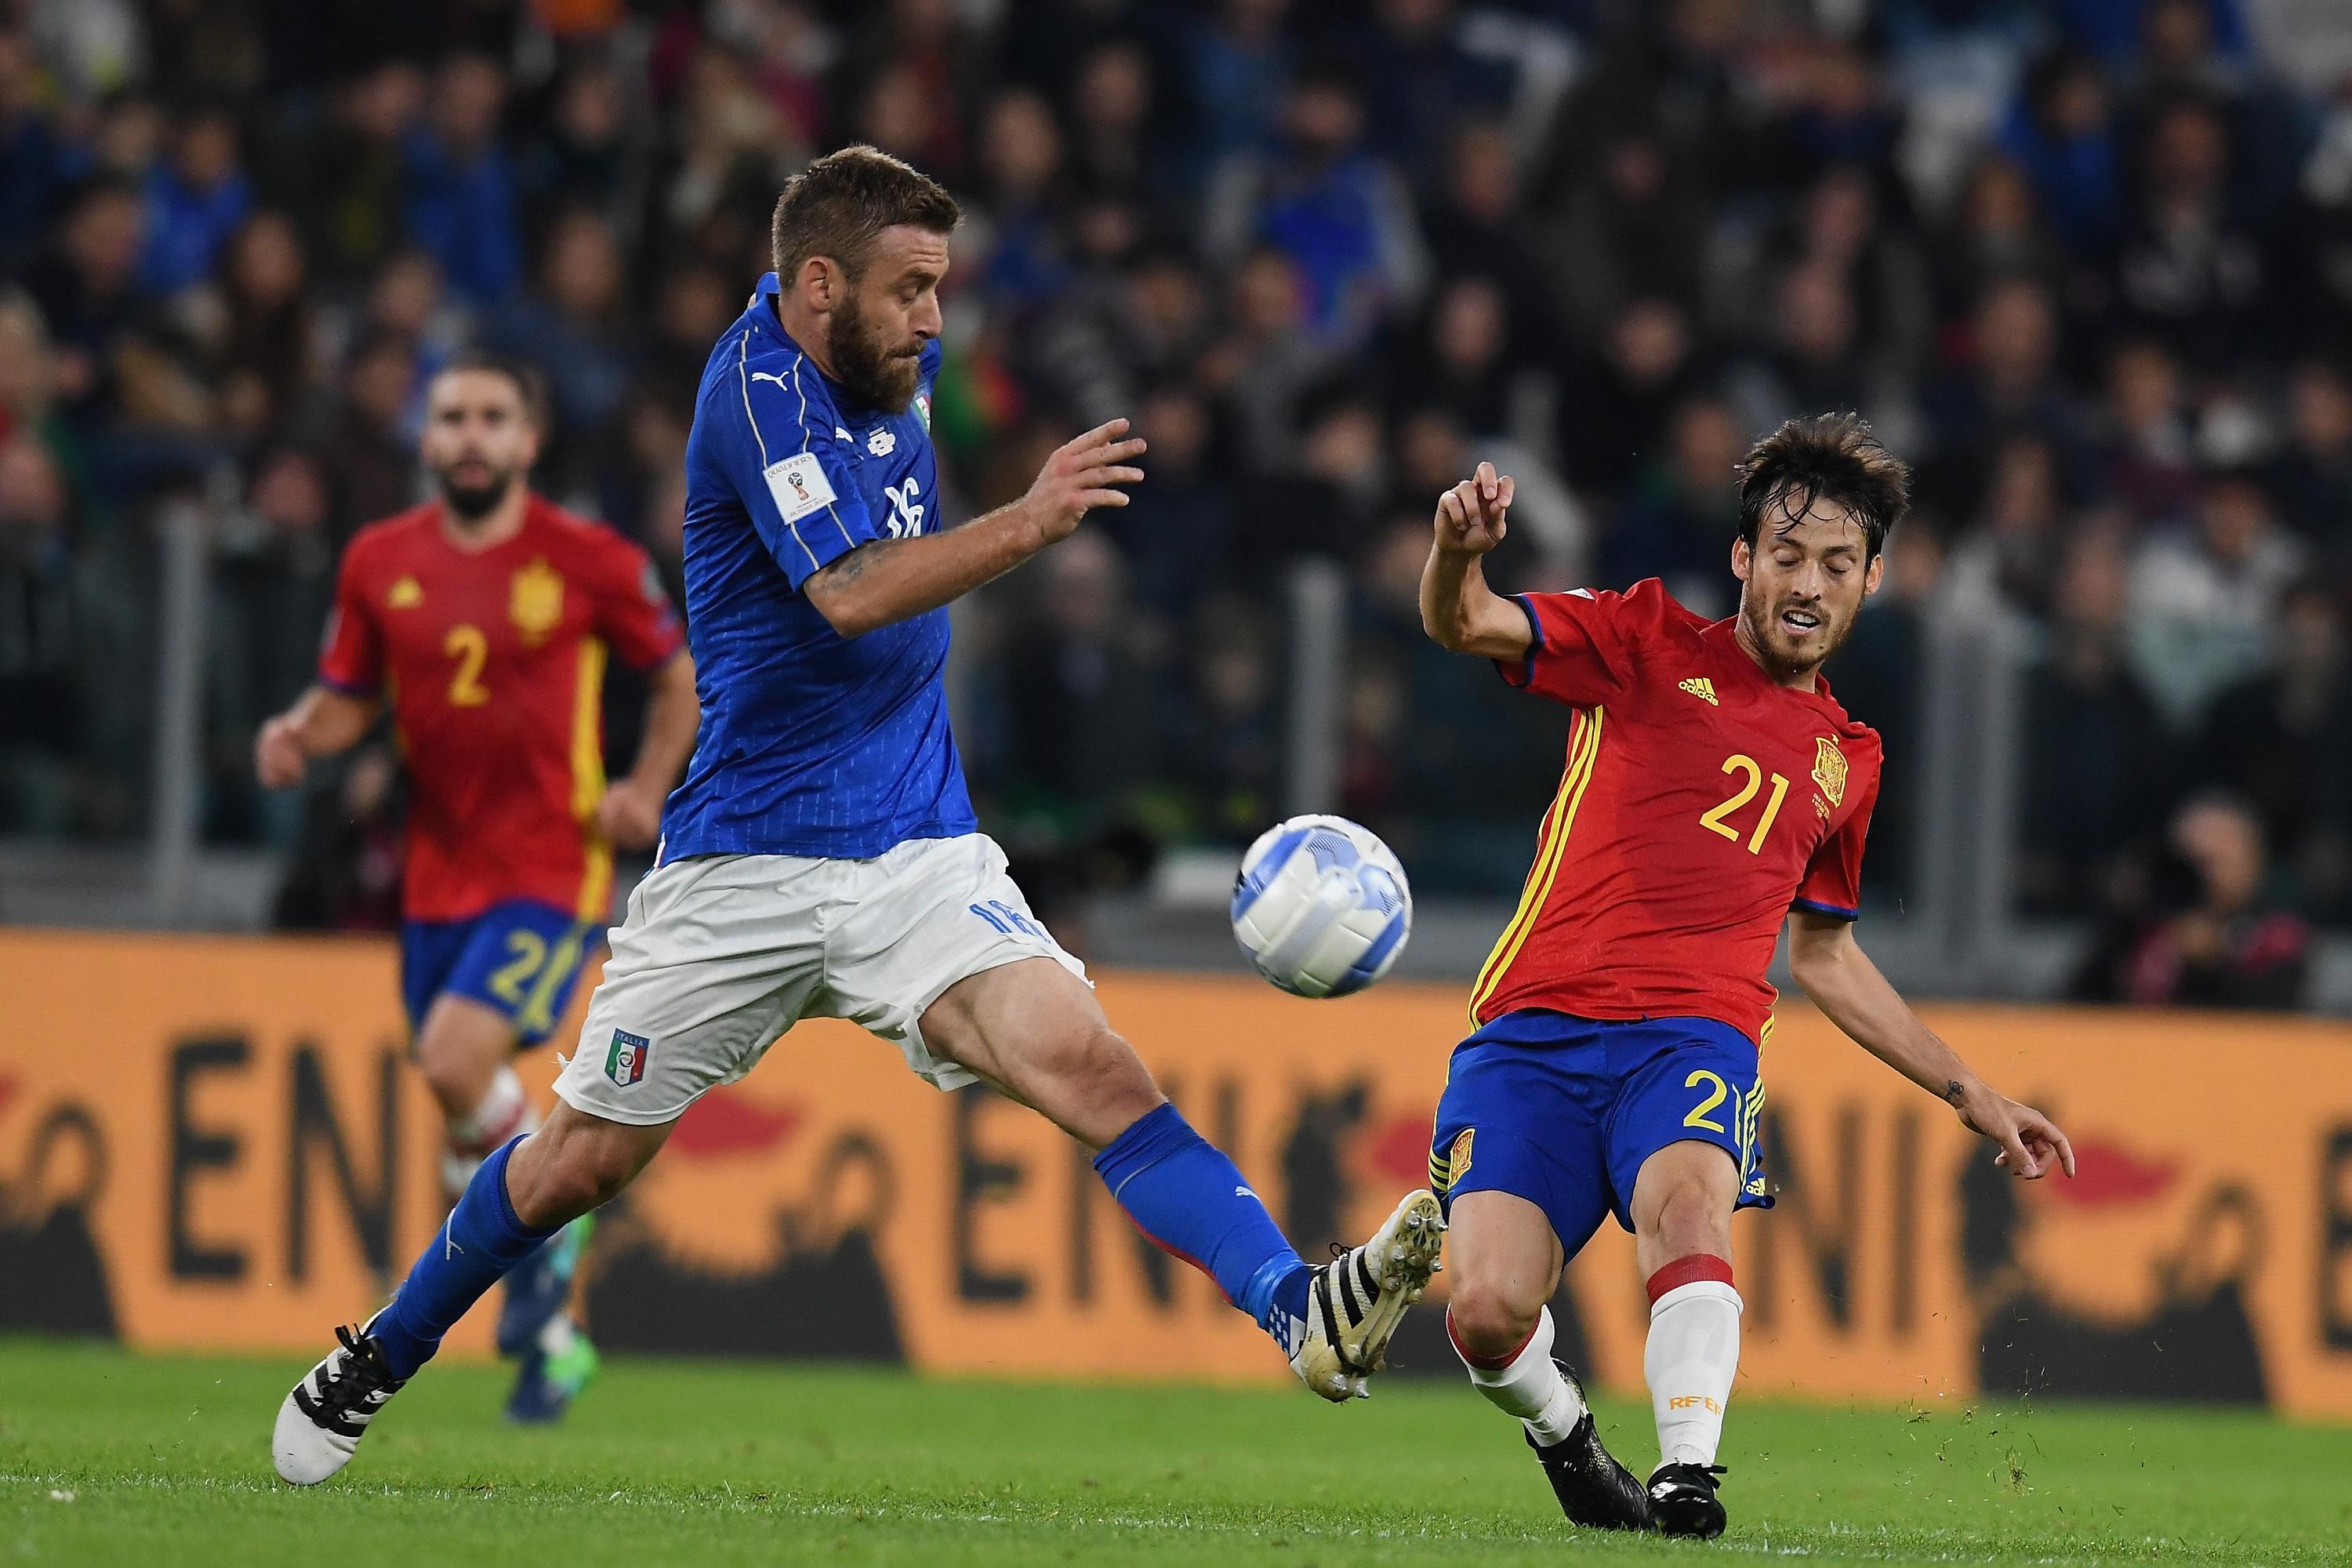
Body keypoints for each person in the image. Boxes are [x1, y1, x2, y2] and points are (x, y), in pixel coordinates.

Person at [272, 145, 1443, 1486]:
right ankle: (378, 1353)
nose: (935, 320)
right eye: (910, 290)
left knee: (1094, 1069)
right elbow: (848, 592)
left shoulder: (896, 363)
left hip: (913, 850)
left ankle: (1299, 1310)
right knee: (573, 1165)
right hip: (742, 863)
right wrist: (1034, 519)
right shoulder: (754, 392)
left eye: (942, 289)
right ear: (816, 284)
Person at [1417, 417, 2075, 1539]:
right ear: (1742, 560)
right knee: (1484, 1311)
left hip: (1692, 1039)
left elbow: (1823, 954)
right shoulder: (1641, 641)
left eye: (1834, 563)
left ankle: (1687, 1478)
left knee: (1688, 1206)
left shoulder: (1847, 761)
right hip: (1531, 1036)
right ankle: (1566, 1438)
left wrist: (1974, 1093)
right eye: (1785, 555)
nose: (1807, 583)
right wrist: (1456, 552)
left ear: (1874, 577)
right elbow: (1463, 622)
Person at [255, 350, 700, 1423]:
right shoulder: (378, 560)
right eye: (451, 415)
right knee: (460, 1108)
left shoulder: (585, 558)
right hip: (435, 878)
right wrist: (298, 735)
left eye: (493, 416)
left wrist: (644, 787)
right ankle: (550, 1323)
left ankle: (553, 1219)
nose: (469, 435)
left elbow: (676, 674)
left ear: (528, 440)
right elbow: (350, 694)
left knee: (454, 1059)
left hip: (551, 869)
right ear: (426, 434)